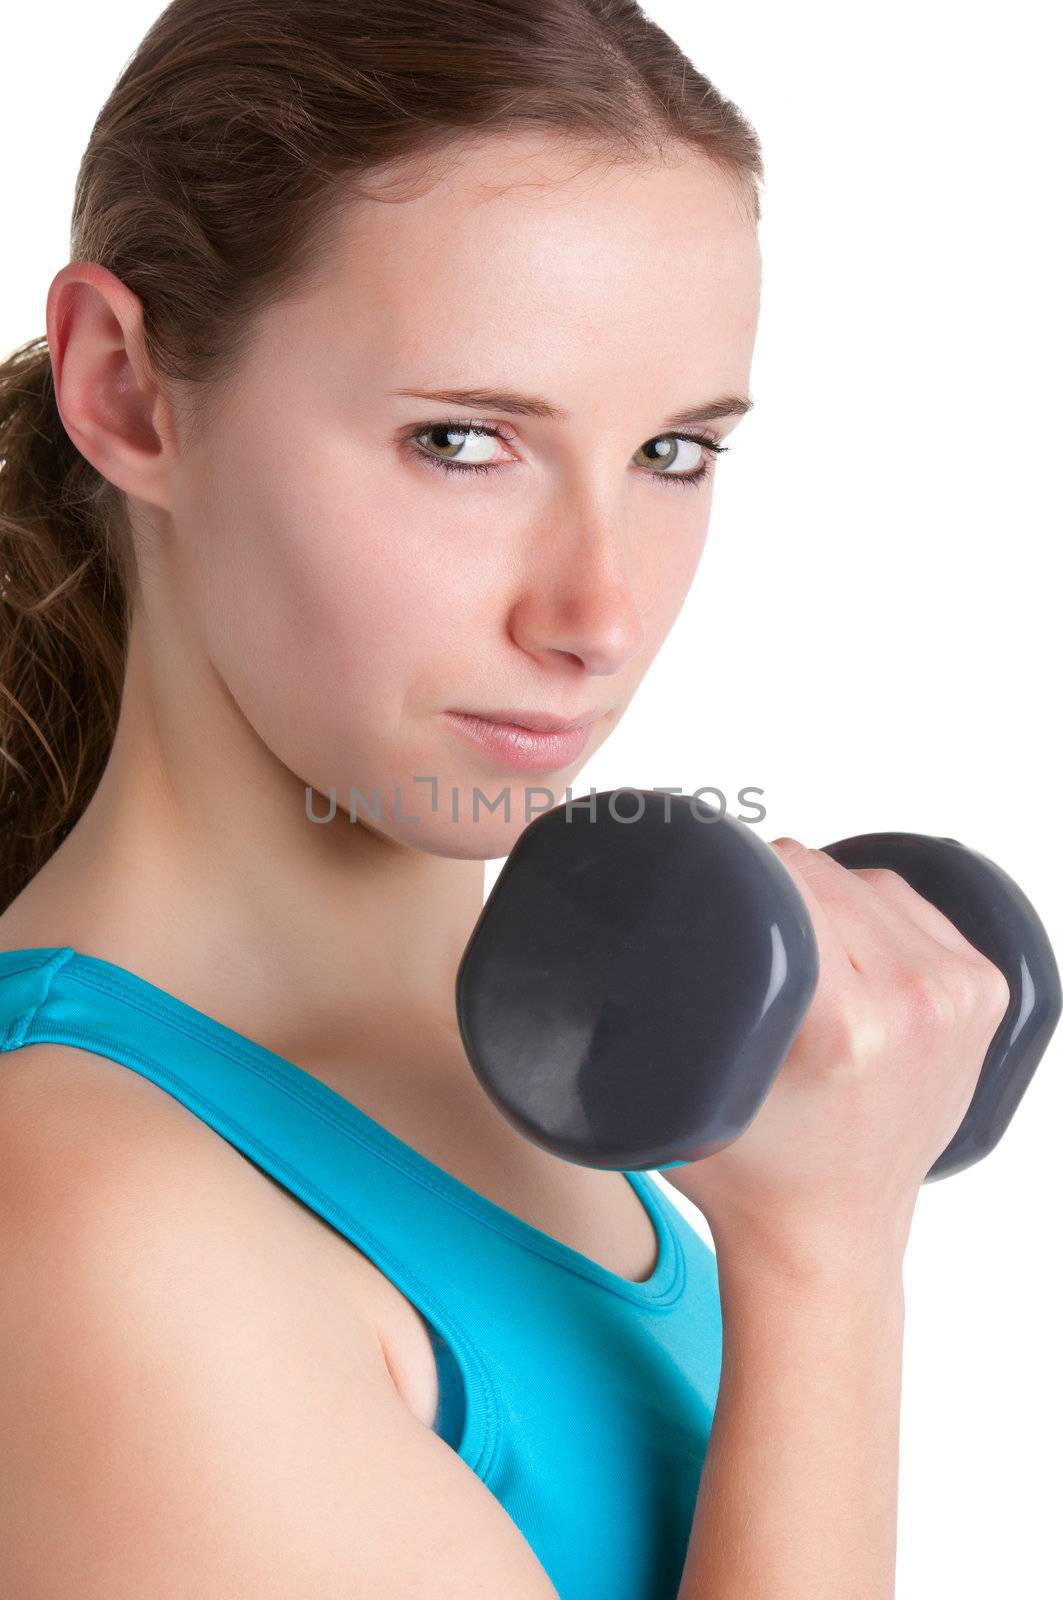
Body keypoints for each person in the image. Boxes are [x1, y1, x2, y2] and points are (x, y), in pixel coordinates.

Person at [0, 2, 1010, 1596]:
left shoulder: (552, 1103)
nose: (598, 614)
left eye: (674, 454)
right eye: (462, 440)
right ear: (127, 392)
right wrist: (826, 1263)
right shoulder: (89, 1223)